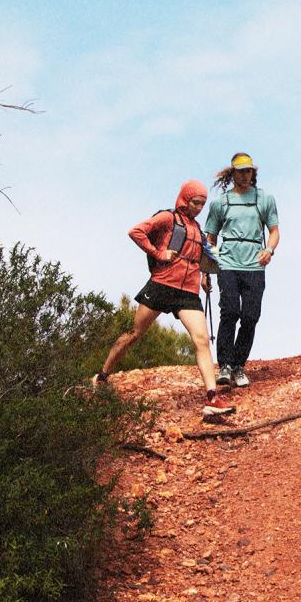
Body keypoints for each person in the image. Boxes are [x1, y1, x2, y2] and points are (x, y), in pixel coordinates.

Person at [96, 180, 235, 422]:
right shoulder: (167, 218)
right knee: (134, 334)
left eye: (202, 204)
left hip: (188, 292)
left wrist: (205, 276)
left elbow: (206, 256)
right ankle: (102, 375)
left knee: (202, 340)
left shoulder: (198, 228)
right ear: (185, 199)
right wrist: (158, 253)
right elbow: (136, 232)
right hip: (162, 285)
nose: (198, 208)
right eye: (195, 202)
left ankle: (212, 398)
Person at [202, 151, 280, 388]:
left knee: (250, 316)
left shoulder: (265, 199)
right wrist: (206, 272)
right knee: (230, 311)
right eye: (240, 172)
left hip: (255, 264)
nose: (245, 175)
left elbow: (274, 231)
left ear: (253, 173)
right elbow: (210, 239)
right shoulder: (221, 202)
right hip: (227, 263)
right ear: (232, 174)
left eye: (248, 171)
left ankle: (239, 365)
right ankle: (225, 365)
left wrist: (269, 250)